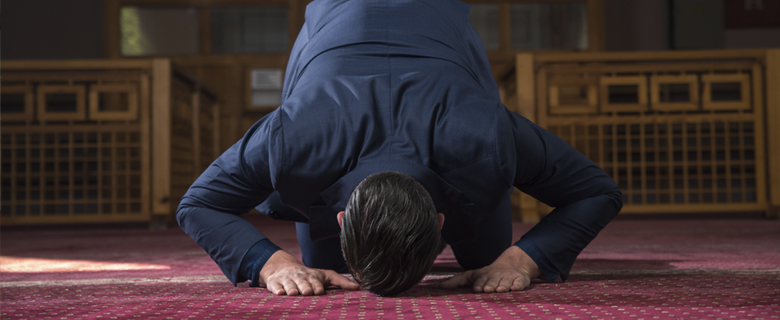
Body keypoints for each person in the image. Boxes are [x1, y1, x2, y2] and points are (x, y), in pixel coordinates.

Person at [176, 0, 622, 297]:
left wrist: (524, 260)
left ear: (441, 218)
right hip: (336, 23)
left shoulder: (482, 133)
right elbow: (198, 203)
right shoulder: (296, 136)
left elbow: (597, 191)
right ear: (342, 216)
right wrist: (269, 264)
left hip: (439, 33)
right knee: (318, 269)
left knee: (490, 262)